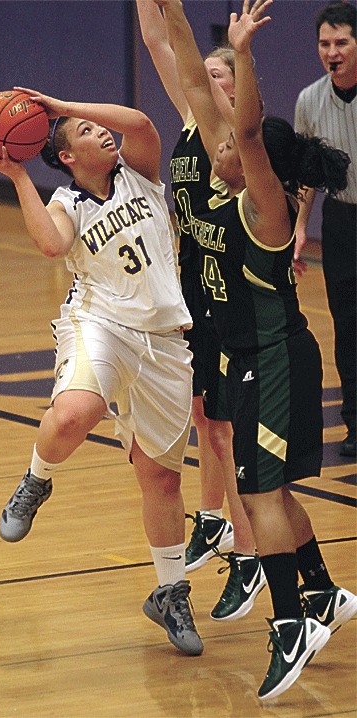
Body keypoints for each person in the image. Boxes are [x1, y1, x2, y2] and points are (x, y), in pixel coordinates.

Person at [154, 0, 357, 700]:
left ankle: (290, 623)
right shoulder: (222, 176)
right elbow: (188, 73)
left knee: (258, 492)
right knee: (266, 489)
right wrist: (173, 14)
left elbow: (242, 122)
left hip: (274, 358)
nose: (219, 148)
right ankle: (323, 594)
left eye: (233, 146)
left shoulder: (264, 208)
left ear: (256, 158)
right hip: (242, 357)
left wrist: (244, 53)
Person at [0, 90, 204, 657]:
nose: (101, 132)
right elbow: (52, 245)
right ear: (69, 157)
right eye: (83, 131)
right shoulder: (67, 203)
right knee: (78, 410)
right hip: (100, 324)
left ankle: (171, 592)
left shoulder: (143, 172)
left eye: (96, 125)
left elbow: (143, 123)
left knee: (163, 480)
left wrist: (57, 104)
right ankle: (36, 480)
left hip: (165, 341)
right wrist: (19, 178)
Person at [136, 0, 266, 624]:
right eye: (207, 75)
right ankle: (216, 522)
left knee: (225, 429)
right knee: (202, 415)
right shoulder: (192, 118)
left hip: (239, 300)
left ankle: (250, 553)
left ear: (239, 88)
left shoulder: (240, 142)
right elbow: (165, 43)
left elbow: (182, 47)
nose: (208, 80)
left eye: (223, 76)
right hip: (197, 292)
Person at [294, 2, 356, 458]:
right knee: (348, 327)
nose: (332, 52)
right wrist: (299, 226)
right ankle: (355, 424)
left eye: (341, 42)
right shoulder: (309, 101)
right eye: (324, 43)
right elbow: (307, 175)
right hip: (341, 222)